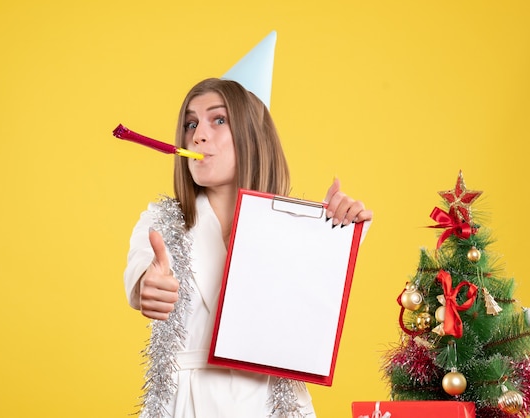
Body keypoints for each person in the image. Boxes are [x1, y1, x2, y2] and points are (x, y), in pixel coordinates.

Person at [124, 78, 373, 417]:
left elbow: (313, 309)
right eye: (190, 124)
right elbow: (142, 275)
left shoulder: (296, 227)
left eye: (219, 120)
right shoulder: (162, 221)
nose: (198, 135)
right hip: (186, 406)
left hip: (276, 407)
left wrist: (336, 231)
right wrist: (149, 288)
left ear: (252, 137)